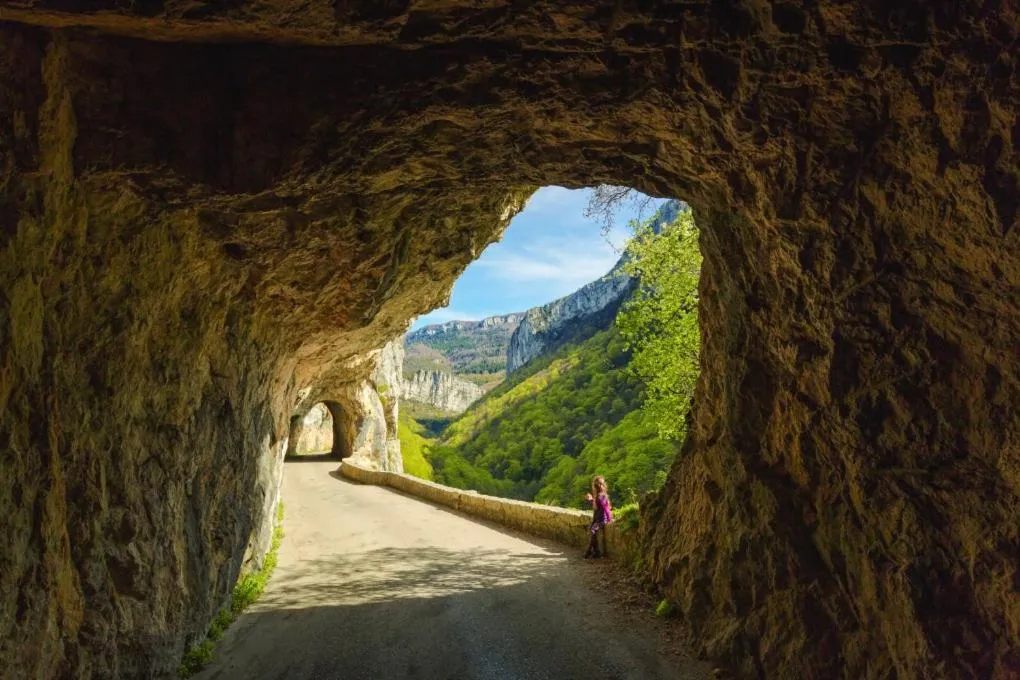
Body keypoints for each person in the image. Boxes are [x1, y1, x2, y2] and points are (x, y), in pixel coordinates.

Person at [583, 475, 613, 558]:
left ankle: (588, 552)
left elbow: (606, 508)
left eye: (595, 485)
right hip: (597, 518)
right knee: (592, 531)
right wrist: (591, 499)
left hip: (601, 519)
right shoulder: (599, 495)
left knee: (593, 531)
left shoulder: (601, 496)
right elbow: (599, 506)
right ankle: (595, 552)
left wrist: (609, 519)